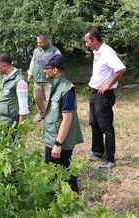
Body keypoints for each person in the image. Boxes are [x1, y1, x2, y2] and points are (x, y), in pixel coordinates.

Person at [37, 53, 83, 193]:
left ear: (55, 70)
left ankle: (74, 202)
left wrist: (58, 144)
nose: (45, 70)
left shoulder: (67, 89)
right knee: (51, 171)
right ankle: (55, 199)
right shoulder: (55, 85)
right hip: (52, 138)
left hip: (60, 141)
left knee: (66, 173)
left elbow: (67, 119)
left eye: (47, 67)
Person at [84, 29, 126, 169]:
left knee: (106, 126)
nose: (86, 44)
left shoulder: (107, 52)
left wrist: (108, 84)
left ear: (94, 40)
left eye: (87, 41)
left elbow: (121, 69)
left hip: (103, 96)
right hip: (94, 93)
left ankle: (109, 159)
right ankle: (97, 152)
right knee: (93, 122)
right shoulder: (97, 52)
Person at [0, 54, 30, 143]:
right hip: (0, 121)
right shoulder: (6, 79)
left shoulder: (20, 82)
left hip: (10, 125)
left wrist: (20, 132)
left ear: (4, 66)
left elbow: (23, 109)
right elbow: (1, 98)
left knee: (7, 152)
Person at [27, 35, 61, 123]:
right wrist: (30, 73)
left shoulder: (54, 50)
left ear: (46, 42)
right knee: (37, 99)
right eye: (37, 42)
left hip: (49, 81)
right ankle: (42, 115)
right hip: (37, 80)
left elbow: (59, 63)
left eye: (40, 42)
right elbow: (32, 63)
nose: (39, 44)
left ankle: (54, 117)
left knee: (51, 100)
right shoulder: (36, 51)